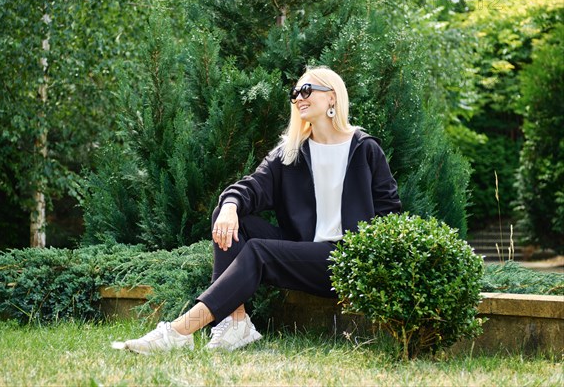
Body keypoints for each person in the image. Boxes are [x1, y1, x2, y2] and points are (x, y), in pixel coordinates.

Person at [112, 66, 401, 354]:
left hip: (344, 260)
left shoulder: (365, 149)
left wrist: (370, 264)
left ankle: (179, 331)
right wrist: (229, 206)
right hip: (302, 252)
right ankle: (235, 322)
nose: (299, 97)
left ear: (332, 98)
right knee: (230, 217)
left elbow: (390, 214)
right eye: (295, 93)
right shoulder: (290, 152)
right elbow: (250, 187)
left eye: (307, 90)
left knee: (259, 251)